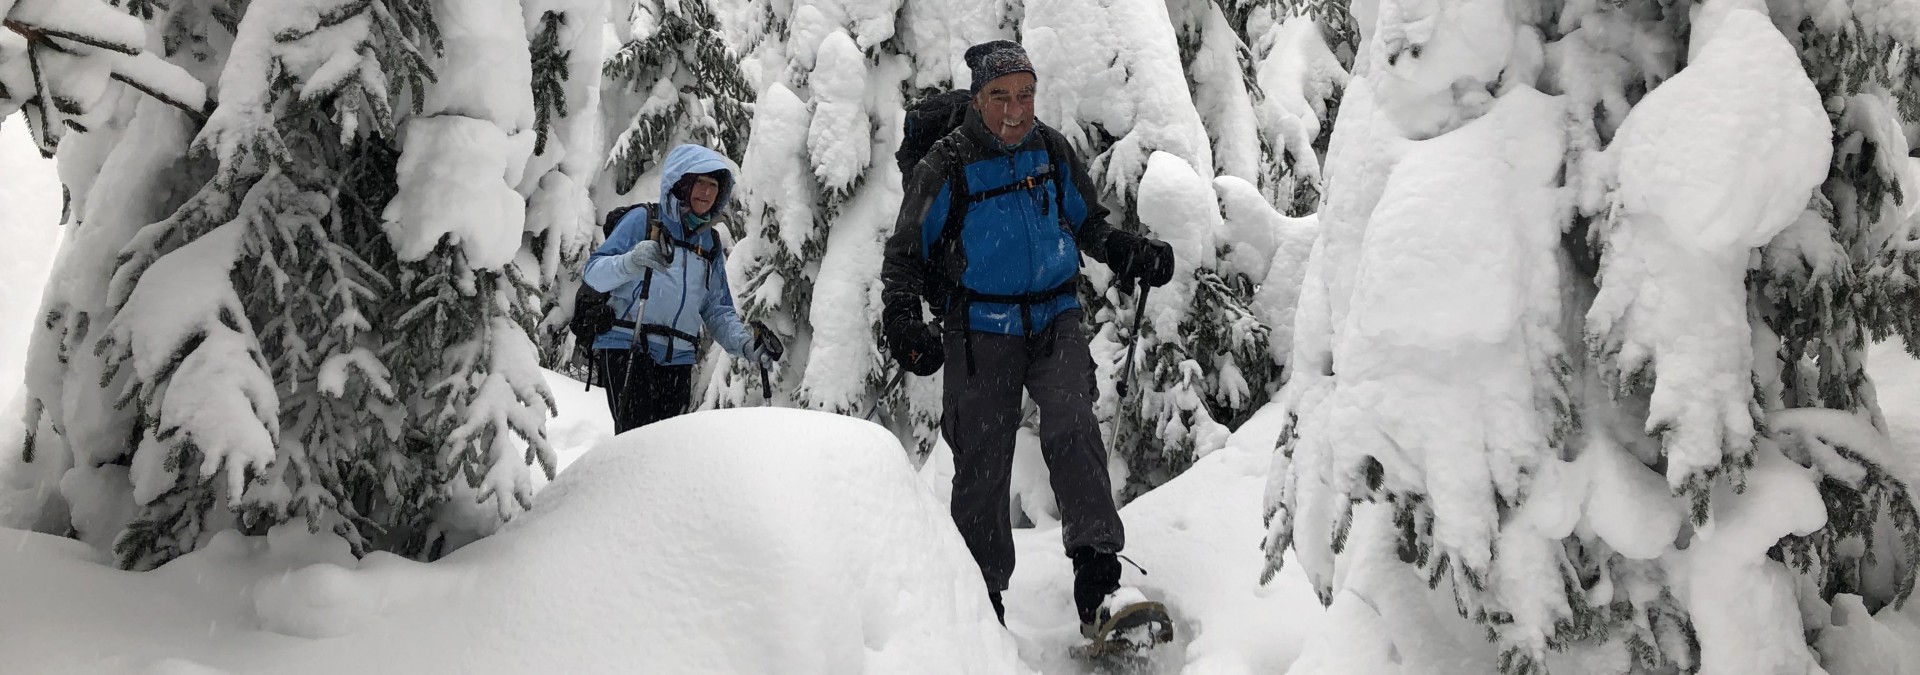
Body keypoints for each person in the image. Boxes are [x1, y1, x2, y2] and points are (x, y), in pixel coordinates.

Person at [880, 40, 1176, 636]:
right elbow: (905, 254)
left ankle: (1101, 589)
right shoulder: (946, 164)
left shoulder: (1049, 148)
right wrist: (903, 318)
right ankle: (981, 607)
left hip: (1055, 319)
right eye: (1001, 96)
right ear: (978, 98)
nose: (1015, 109)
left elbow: (1086, 222)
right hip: (979, 330)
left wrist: (1124, 250)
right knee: (983, 464)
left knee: (1073, 429)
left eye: (1025, 94)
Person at [585, 144, 780, 433]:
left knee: (667, 448)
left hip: (678, 360)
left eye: (713, 185)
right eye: (700, 182)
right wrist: (630, 261)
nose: (706, 192)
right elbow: (593, 274)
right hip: (629, 347)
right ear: (682, 183)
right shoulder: (644, 221)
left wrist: (746, 345)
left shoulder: (709, 244)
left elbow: (717, 310)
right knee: (636, 442)